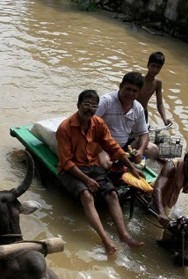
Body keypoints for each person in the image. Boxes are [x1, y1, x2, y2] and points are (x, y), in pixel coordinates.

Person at [56, 89, 146, 255]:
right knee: (87, 195)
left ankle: (124, 235)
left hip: (92, 165)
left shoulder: (98, 123)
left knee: (112, 194)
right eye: (86, 104)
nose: (90, 109)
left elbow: (113, 147)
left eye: (93, 106)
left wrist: (132, 167)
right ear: (78, 105)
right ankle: (105, 239)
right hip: (71, 170)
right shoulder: (65, 128)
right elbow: (66, 162)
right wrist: (87, 180)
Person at [95, 71, 159, 168]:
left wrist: (140, 151)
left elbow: (144, 134)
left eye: (134, 91)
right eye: (128, 89)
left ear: (139, 92)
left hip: (125, 145)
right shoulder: (106, 101)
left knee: (153, 149)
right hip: (104, 145)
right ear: (121, 86)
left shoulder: (138, 108)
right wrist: (99, 149)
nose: (130, 93)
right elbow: (89, 125)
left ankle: (126, 165)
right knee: (106, 163)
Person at [137, 51, 172, 127]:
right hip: (132, 110)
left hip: (143, 112)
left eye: (158, 67)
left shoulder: (158, 83)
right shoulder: (139, 80)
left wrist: (164, 119)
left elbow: (159, 104)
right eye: (153, 66)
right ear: (148, 65)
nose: (155, 69)